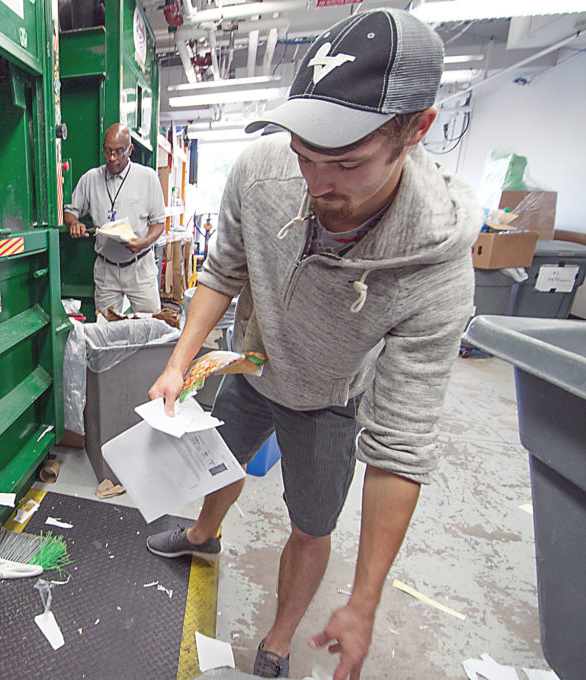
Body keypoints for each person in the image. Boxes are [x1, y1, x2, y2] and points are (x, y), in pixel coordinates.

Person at [144, 9, 481, 680]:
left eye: (347, 163)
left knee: (309, 526)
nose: (317, 184)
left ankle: (277, 639)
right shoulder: (262, 174)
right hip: (251, 368)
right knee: (219, 465)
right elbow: (223, 272)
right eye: (305, 156)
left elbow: (402, 445)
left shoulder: (434, 264)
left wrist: (364, 600)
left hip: (328, 398)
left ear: (417, 130)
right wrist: (178, 365)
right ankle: (202, 537)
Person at [64, 122, 167, 316]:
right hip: (106, 268)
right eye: (108, 151)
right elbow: (70, 212)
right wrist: (74, 223)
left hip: (140, 266)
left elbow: (159, 223)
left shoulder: (147, 177)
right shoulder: (90, 179)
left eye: (119, 152)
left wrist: (144, 242)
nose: (112, 158)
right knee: (105, 328)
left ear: (129, 149)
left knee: (151, 325)